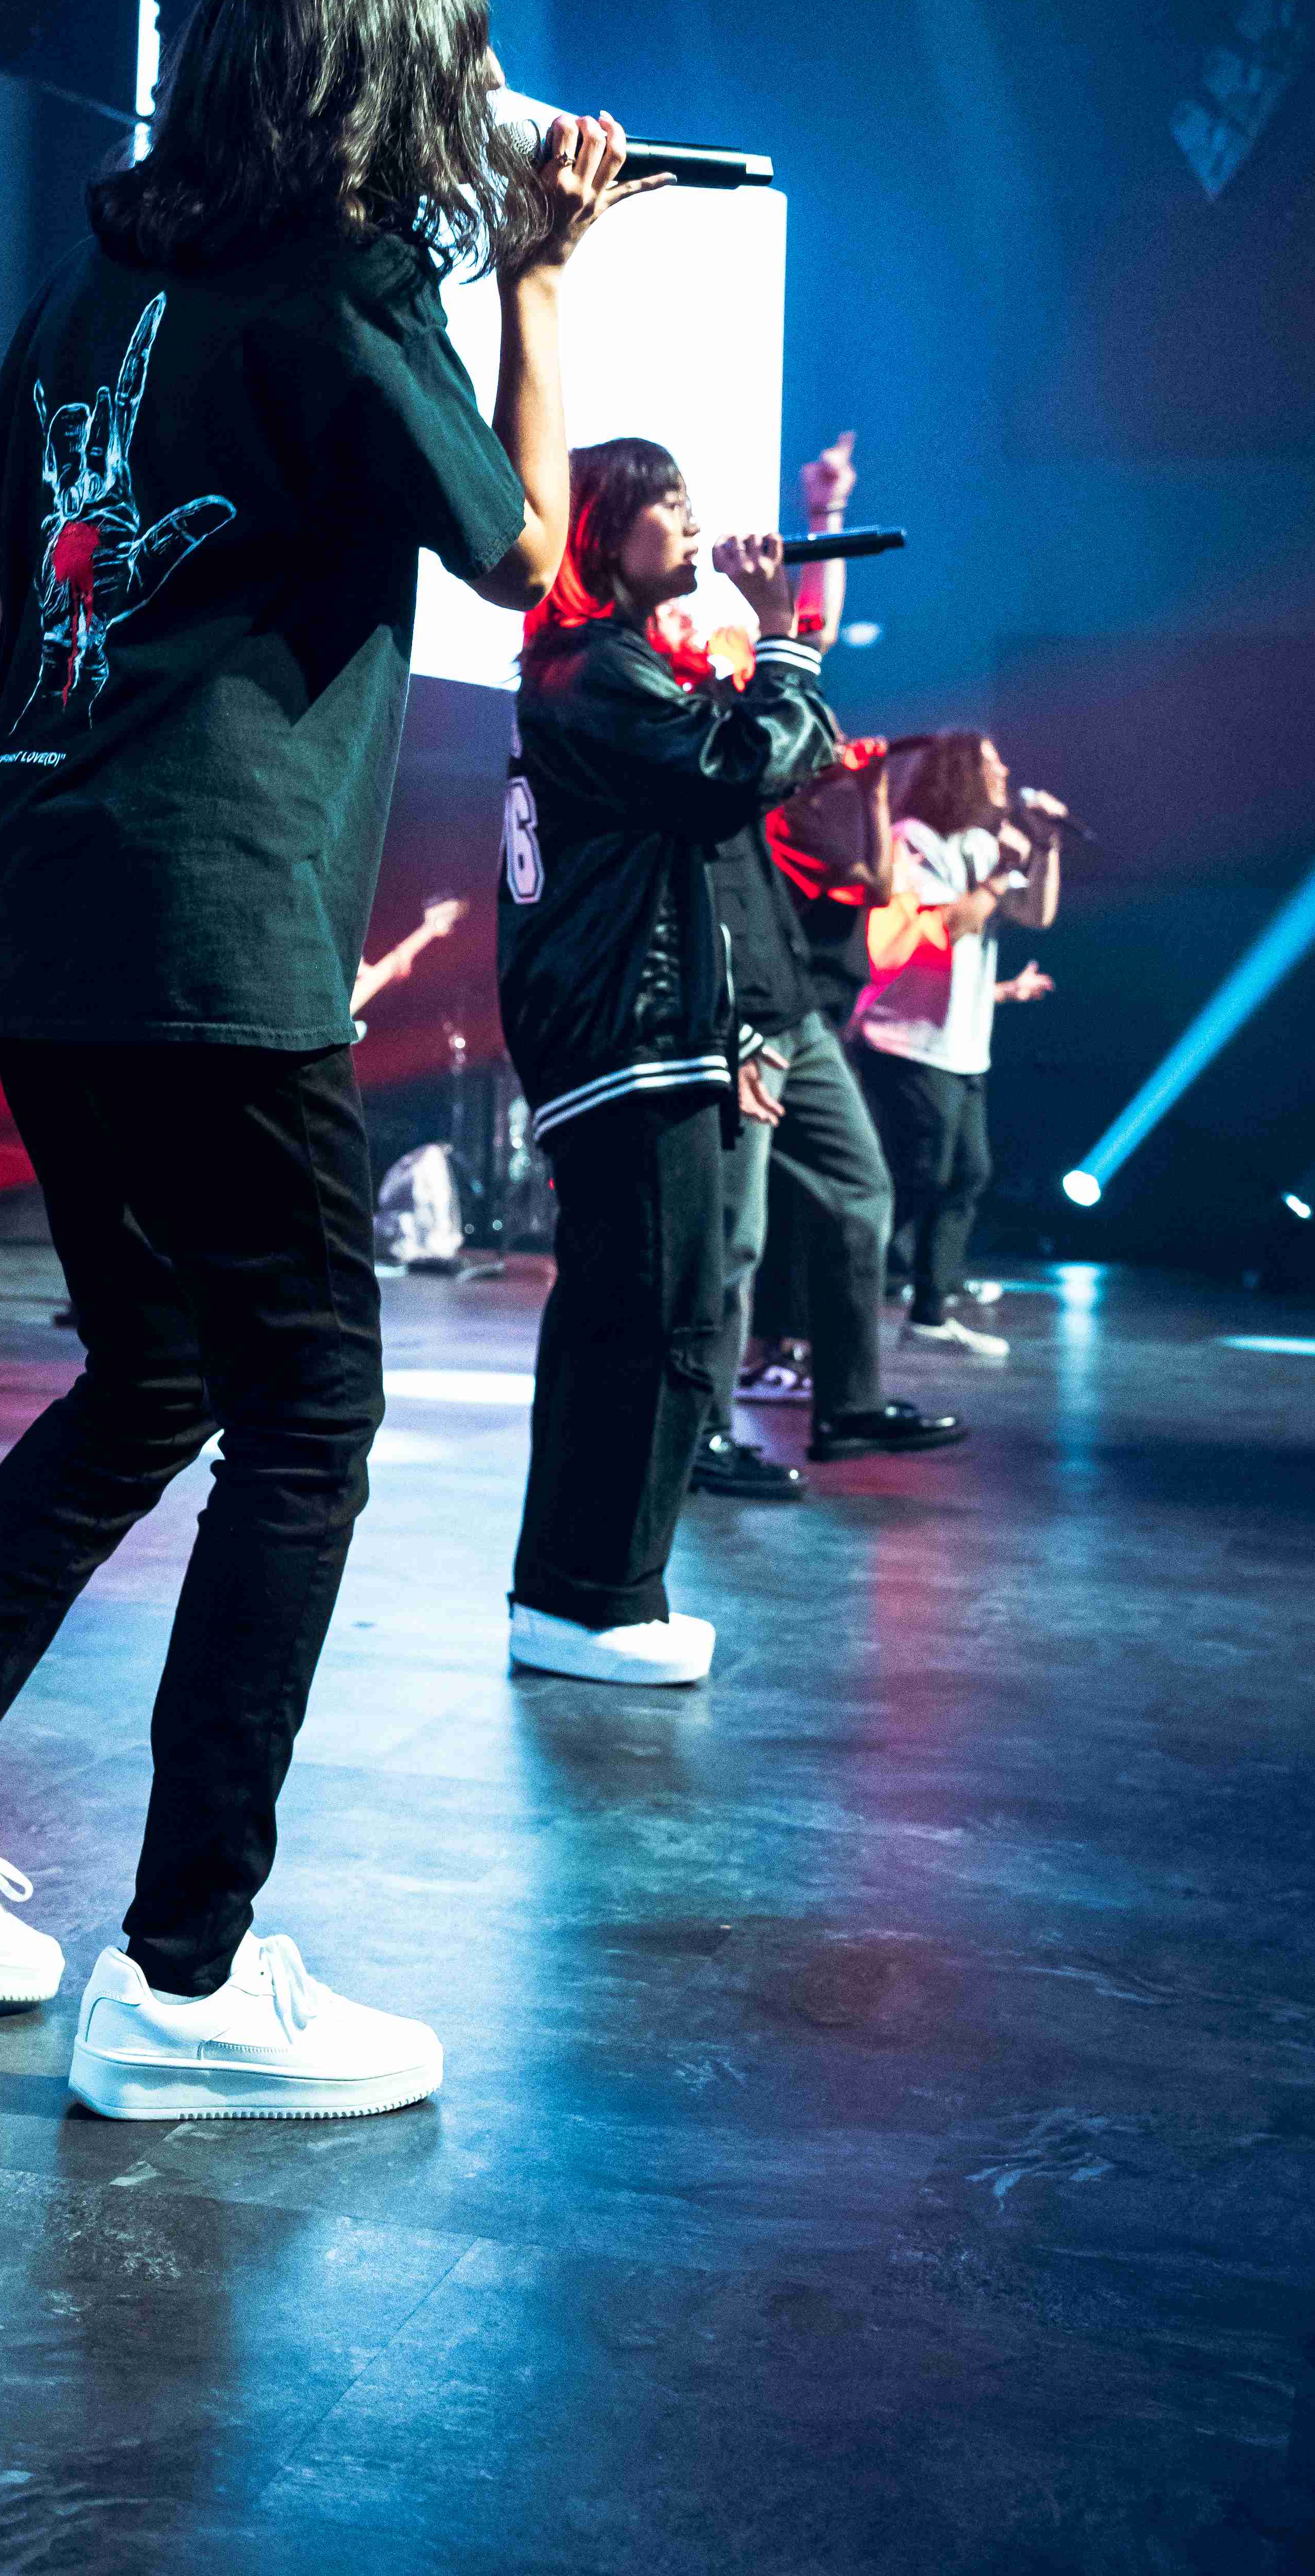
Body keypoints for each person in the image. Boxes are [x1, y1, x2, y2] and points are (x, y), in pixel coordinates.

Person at [0, 0, 653, 2123]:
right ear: (400, 79)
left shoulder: (109, 274)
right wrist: (537, 278)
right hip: (196, 915)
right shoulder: (350, 288)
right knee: (306, 1417)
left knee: (154, 1380)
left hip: (28, 903)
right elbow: (524, 554)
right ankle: (186, 1977)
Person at [494, 440, 836, 1693]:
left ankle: (572, 1595)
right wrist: (786, 640)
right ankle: (597, 1601)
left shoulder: (592, 669)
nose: (696, 524)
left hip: (623, 1037)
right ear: (602, 531)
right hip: (625, 1045)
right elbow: (738, 772)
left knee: (617, 1321)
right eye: (669, 506)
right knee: (661, 1320)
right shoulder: (597, 670)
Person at [705, 431, 967, 1475]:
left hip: (796, 1004)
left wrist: (822, 519)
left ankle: (847, 1403)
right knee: (733, 1234)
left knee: (860, 1186)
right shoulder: (710, 724)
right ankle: (704, 1433)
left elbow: (805, 628)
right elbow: (797, 633)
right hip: (743, 1008)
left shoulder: (785, 734)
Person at [852, 730, 1061, 1360]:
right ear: (962, 776)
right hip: (904, 1039)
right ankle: (839, 1292)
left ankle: (929, 1314)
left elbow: (1037, 916)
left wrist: (1043, 847)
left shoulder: (981, 844)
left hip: (963, 1043)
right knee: (918, 1177)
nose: (1005, 777)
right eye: (994, 768)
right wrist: (1002, 872)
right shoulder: (914, 841)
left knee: (967, 1173)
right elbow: (947, 924)